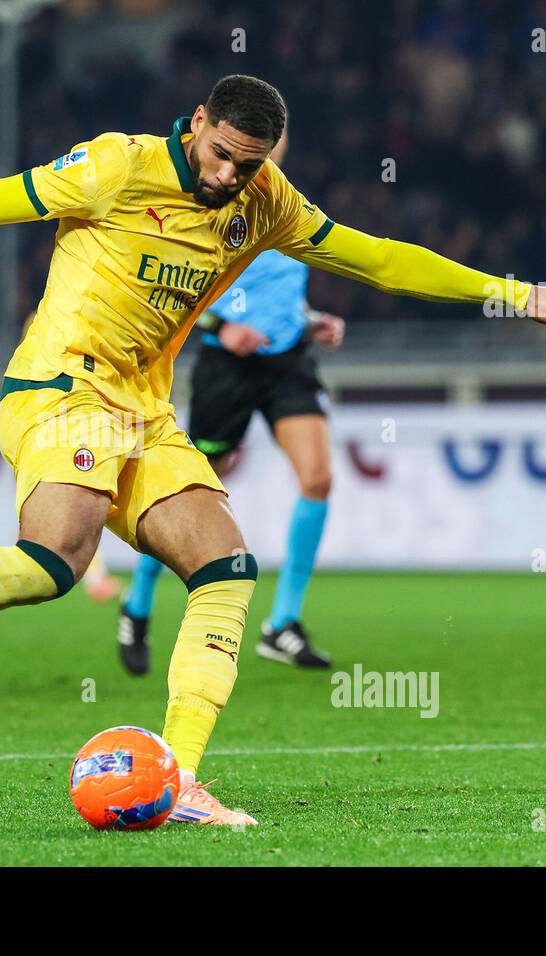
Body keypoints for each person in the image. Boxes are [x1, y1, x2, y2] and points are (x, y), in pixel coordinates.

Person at [0, 75, 546, 826]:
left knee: (225, 570)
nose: (229, 177)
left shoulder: (267, 203)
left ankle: (178, 776)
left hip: (144, 410)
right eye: (221, 155)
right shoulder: (118, 165)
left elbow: (376, 258)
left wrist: (511, 293)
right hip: (62, 385)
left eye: (248, 165)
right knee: (54, 562)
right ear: (196, 126)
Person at [118, 127, 342, 676]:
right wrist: (223, 326)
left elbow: (280, 297)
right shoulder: (211, 206)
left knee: (318, 478)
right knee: (190, 496)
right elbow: (176, 288)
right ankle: (138, 603)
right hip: (226, 367)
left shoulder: (288, 208)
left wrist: (311, 322)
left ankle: (282, 624)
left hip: (288, 363)